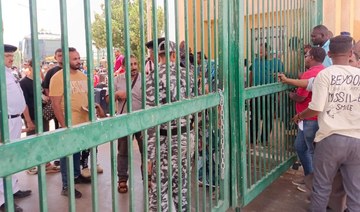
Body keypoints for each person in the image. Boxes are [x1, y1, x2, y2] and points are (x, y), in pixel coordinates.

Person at [293, 36, 360, 212]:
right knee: (355, 192)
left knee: (321, 188)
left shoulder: (325, 74)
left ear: (329, 53)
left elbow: (316, 108)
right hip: (357, 140)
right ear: (351, 53)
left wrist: (300, 115)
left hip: (330, 139)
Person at [146, 40, 194, 211]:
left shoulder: (152, 77)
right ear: (175, 55)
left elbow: (151, 118)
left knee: (160, 186)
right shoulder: (188, 74)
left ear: (158, 56)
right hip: (186, 136)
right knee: (182, 182)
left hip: (165, 139)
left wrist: (150, 154)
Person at [49, 47, 92, 198]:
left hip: (83, 122)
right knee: (67, 154)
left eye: (79, 58)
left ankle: (76, 175)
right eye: (74, 59)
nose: (78, 61)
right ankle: (66, 185)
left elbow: (86, 96)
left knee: (77, 152)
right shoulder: (58, 77)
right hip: (69, 123)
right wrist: (64, 126)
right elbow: (55, 104)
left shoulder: (82, 75)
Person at [0, 44, 33, 212]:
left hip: (14, 120)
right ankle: (1, 200)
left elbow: (18, 98)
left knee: (13, 157)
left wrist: (26, 119)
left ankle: (12, 190)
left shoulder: (8, 73)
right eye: (7, 55)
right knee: (2, 160)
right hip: (3, 122)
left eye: (11, 55)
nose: (11, 58)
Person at [288, 47, 326, 188]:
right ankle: (309, 178)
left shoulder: (309, 73)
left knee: (312, 151)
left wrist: (290, 95)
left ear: (311, 58)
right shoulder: (324, 70)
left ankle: (315, 184)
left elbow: (301, 96)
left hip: (309, 119)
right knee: (300, 147)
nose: (305, 57)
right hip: (313, 119)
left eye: (306, 55)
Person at [106, 55, 144, 193]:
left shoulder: (144, 80)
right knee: (123, 152)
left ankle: (148, 178)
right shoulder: (117, 80)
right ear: (123, 67)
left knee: (145, 151)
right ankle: (122, 179)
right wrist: (116, 94)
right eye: (130, 64)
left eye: (135, 63)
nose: (133, 67)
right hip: (124, 122)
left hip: (141, 120)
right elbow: (108, 100)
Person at [19, 60, 60, 175]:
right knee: (32, 140)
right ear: (30, 67)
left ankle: (45, 164)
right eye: (36, 66)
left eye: (40, 66)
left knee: (44, 139)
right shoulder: (24, 83)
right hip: (32, 116)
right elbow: (24, 102)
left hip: (43, 115)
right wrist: (28, 120)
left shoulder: (39, 81)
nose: (38, 69)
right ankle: (31, 165)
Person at [248, 43, 284, 144]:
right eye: (258, 51)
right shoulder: (255, 61)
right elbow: (251, 74)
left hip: (270, 95)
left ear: (268, 51)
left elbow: (281, 78)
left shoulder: (277, 63)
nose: (259, 53)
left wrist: (279, 94)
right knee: (254, 118)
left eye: (261, 51)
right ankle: (252, 140)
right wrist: (250, 89)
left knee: (268, 118)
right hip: (255, 94)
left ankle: (265, 139)